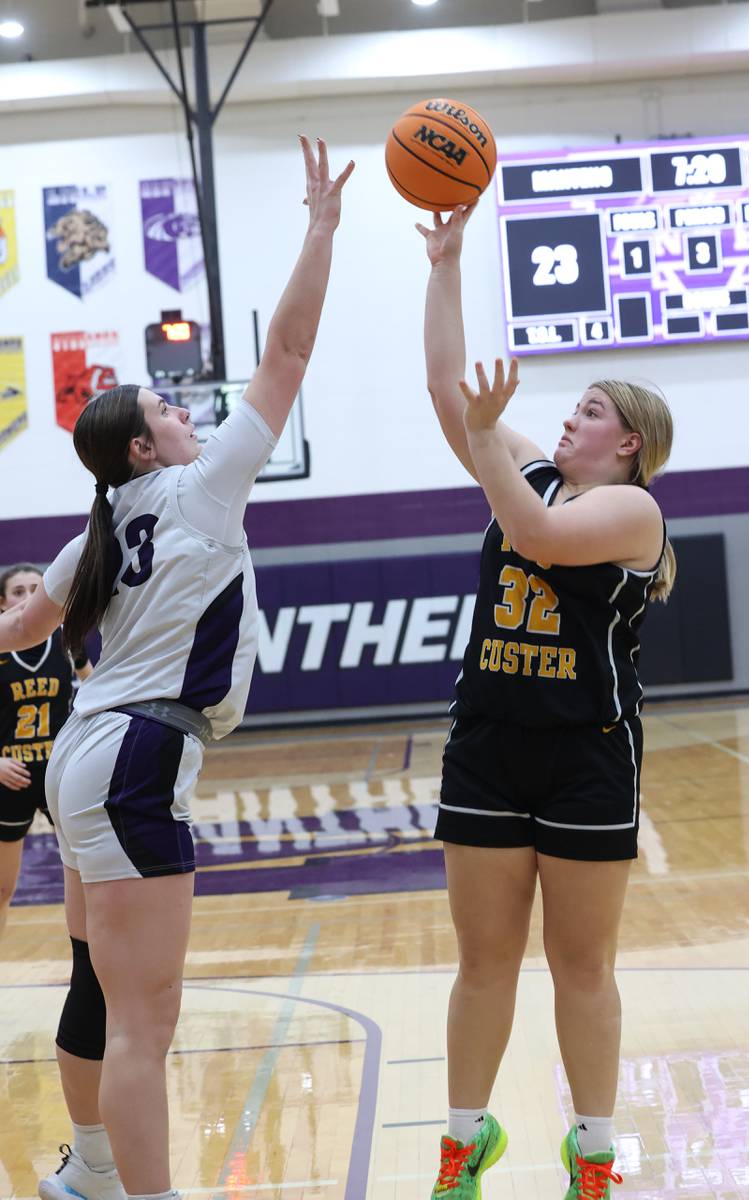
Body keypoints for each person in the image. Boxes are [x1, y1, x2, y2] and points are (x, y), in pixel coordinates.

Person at [0, 136, 353, 1200]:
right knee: (147, 1023)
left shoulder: (94, 531)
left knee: (112, 999)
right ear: (145, 450)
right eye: (169, 410)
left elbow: (19, 638)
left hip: (88, 753)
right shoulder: (198, 495)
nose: (188, 411)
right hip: (139, 749)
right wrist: (320, 227)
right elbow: (287, 352)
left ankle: (93, 1175)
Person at [416, 204, 676, 1200]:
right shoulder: (521, 466)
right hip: (486, 743)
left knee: (580, 966)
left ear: (627, 446)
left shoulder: (632, 511)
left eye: (587, 414)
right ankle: (459, 1146)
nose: (567, 420)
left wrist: (484, 439)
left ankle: (593, 1153)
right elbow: (447, 388)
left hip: (585, 755)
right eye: (567, 410)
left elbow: (531, 535)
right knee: (482, 962)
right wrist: (445, 268)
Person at [0, 563, 92, 935]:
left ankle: (94, 970)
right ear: (2, 603)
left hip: (61, 776)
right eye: (17, 592)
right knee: (3, 888)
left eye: (34, 590)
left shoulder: (67, 641)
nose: (25, 599)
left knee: (89, 880)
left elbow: (99, 690)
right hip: (11, 778)